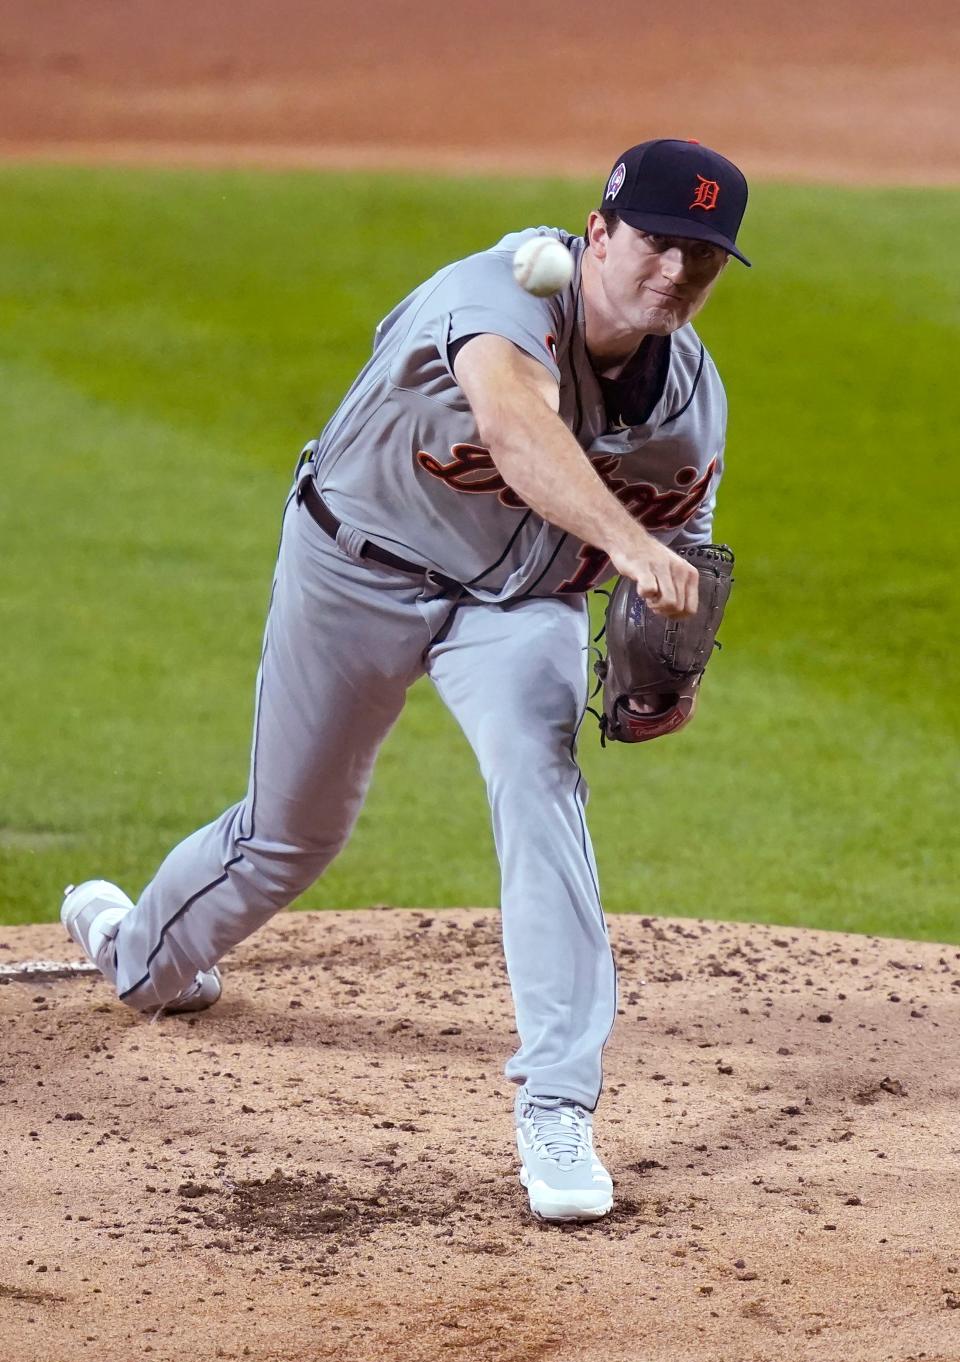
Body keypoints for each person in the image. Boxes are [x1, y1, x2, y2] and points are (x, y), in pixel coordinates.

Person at [62, 138, 749, 1223]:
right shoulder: (495, 293)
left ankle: (558, 1102)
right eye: (659, 244)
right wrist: (624, 543)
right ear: (601, 233)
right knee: (292, 837)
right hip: (355, 569)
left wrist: (671, 659)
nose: (674, 275)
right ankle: (137, 950)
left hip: (516, 606)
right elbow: (518, 429)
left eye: (703, 260)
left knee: (541, 784)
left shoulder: (690, 396)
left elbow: (687, 540)